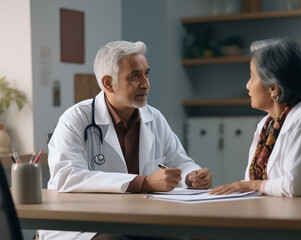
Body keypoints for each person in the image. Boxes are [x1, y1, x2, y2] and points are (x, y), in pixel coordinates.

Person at [39, 41, 212, 240]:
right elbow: (66, 176)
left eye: (146, 74)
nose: (146, 84)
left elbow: (180, 162)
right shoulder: (76, 119)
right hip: (84, 224)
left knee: (184, 236)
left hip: (138, 220)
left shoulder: (154, 118)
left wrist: (191, 177)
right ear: (108, 83)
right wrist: (143, 182)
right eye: (134, 76)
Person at [209, 37, 301, 197]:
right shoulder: (267, 125)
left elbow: (300, 187)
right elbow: (256, 184)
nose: (247, 85)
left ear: (274, 88)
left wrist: (252, 185)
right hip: (285, 212)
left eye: (252, 77)